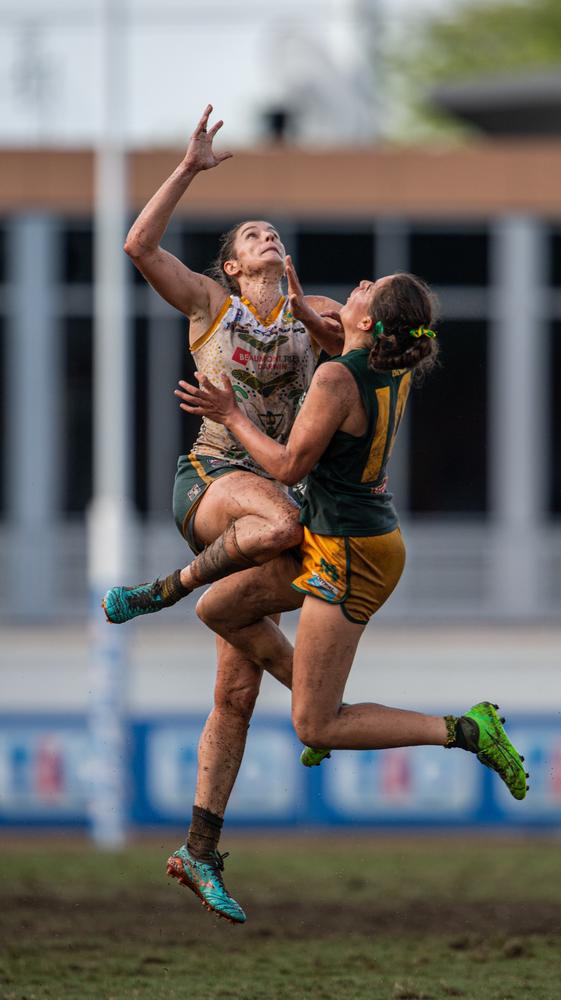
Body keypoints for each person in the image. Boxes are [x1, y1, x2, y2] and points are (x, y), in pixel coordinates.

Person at [102, 106, 343, 925]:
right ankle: (162, 591)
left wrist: (322, 313)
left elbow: (362, 343)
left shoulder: (315, 316)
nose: (265, 235)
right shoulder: (209, 304)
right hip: (213, 482)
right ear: (233, 269)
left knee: (234, 693)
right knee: (281, 530)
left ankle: (199, 850)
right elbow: (136, 248)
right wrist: (189, 171)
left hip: (275, 492)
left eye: (272, 231)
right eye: (249, 236)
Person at [177, 270, 529, 821]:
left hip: (350, 553)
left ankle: (466, 729)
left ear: (366, 322)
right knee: (218, 608)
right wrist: (308, 312)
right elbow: (339, 341)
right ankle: (320, 699)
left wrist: (230, 415)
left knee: (314, 726)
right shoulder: (391, 360)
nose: (360, 283)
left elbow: (287, 465)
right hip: (355, 538)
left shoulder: (337, 378)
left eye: (369, 288)